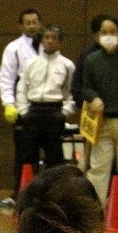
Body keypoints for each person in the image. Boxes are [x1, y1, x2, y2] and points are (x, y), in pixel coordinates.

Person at [82, 16, 118, 213]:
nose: (108, 36)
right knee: (97, 169)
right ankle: (94, 212)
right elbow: (86, 87)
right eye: (104, 33)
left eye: (113, 32)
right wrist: (93, 97)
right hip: (102, 122)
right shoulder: (91, 60)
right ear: (96, 36)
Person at [0, 8, 43, 206]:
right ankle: (20, 192)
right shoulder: (13, 48)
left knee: (48, 154)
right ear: (21, 25)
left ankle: (43, 193)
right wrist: (9, 104)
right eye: (28, 22)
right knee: (24, 153)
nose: (32, 26)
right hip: (23, 108)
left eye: (35, 22)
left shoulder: (48, 44)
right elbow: (6, 78)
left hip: (46, 106)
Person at [16, 25, 74, 175]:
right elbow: (22, 88)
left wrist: (64, 112)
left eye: (54, 38)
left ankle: (52, 193)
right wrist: (23, 111)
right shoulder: (31, 63)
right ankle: (24, 193)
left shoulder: (67, 65)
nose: (49, 41)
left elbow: (70, 92)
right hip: (33, 111)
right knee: (27, 156)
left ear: (60, 42)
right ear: (41, 41)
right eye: (46, 37)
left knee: (54, 157)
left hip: (54, 111)